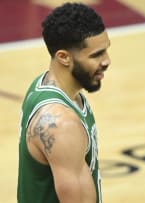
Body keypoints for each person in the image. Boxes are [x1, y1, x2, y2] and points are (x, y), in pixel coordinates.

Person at [17, 2, 111, 203]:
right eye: (96, 55)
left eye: (105, 50)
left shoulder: (45, 84)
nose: (106, 61)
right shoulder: (61, 124)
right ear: (64, 57)